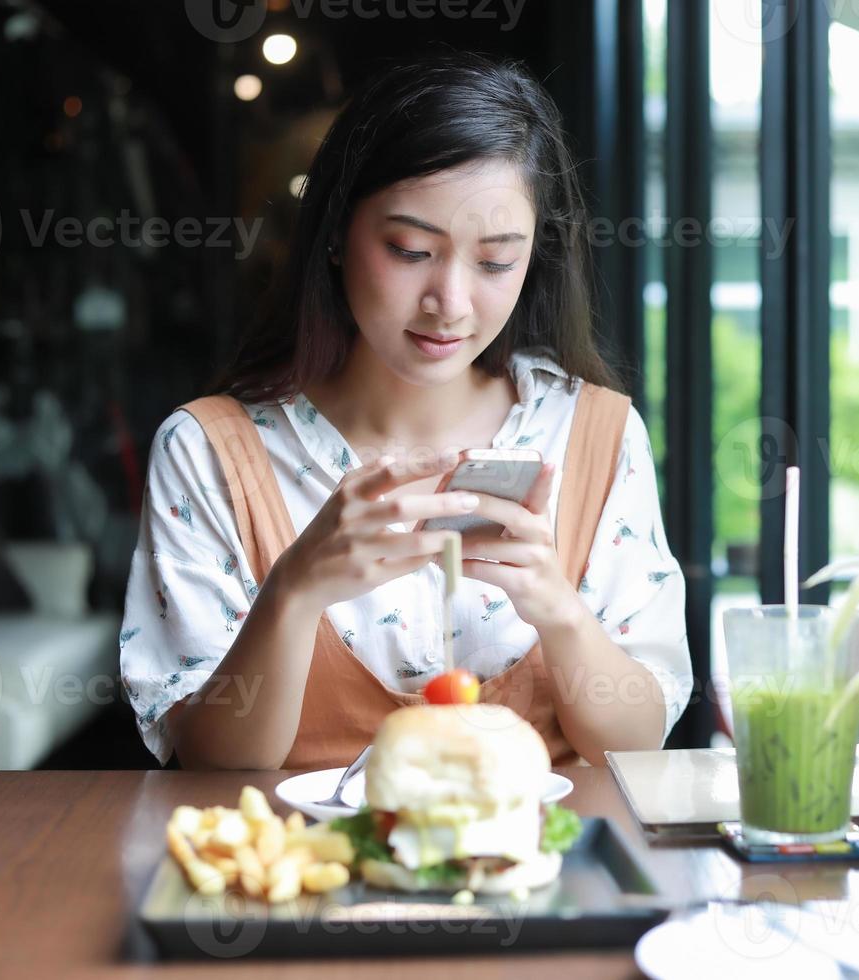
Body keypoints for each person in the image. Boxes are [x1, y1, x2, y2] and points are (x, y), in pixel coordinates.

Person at [118, 52, 692, 771]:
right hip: (300, 876)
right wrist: (293, 594)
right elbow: (207, 767)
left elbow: (638, 748)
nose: (450, 302)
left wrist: (558, 608)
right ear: (333, 234)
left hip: (542, 877)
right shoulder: (209, 453)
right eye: (411, 249)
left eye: (494, 262)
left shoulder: (595, 436)